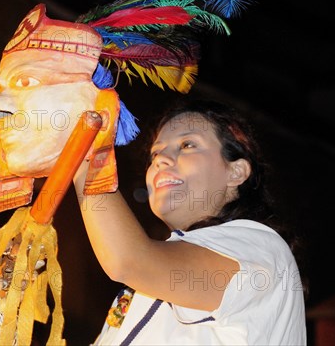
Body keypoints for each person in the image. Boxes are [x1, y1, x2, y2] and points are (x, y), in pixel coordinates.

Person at [72, 98, 307, 345]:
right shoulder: (146, 285)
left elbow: (128, 260)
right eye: (156, 153)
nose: (160, 159)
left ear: (236, 172)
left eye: (187, 144)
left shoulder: (261, 249)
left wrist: (81, 156)